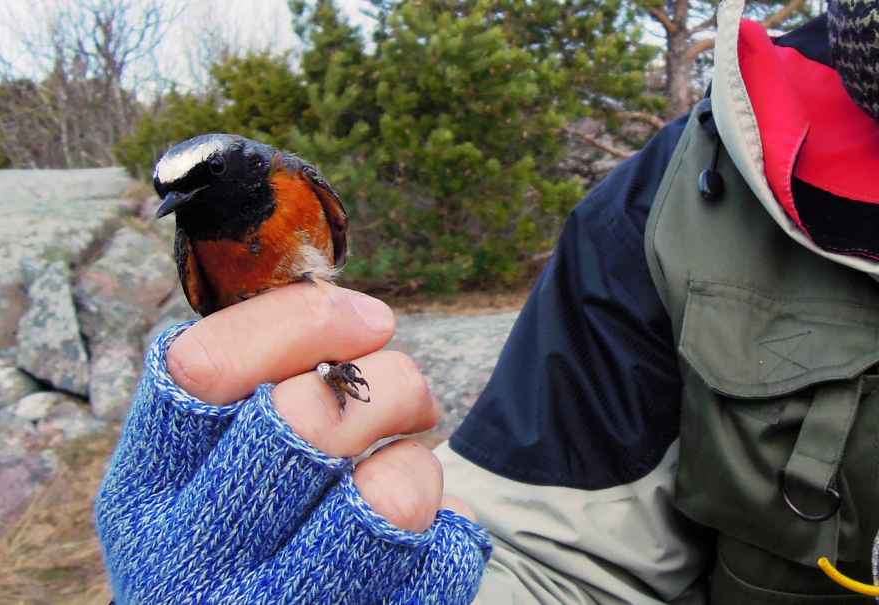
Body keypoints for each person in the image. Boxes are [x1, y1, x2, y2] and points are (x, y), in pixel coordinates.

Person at [95, 0, 879, 602]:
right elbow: (558, 562)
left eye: (197, 186)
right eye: (173, 197)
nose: (180, 207)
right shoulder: (675, 202)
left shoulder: (289, 182)